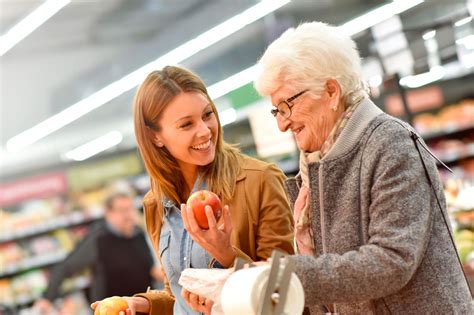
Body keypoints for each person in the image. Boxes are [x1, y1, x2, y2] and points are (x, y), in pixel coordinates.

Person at [250, 21, 473, 314]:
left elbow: (392, 260)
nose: (282, 123)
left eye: (286, 106)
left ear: (331, 91)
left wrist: (284, 275)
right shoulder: (317, 165)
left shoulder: (390, 142)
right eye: (276, 110)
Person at [92, 66, 294, 315]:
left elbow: (284, 292)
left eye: (207, 114)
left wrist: (227, 254)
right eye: (186, 124)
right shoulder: (156, 202)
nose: (205, 130)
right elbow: (178, 293)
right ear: (155, 137)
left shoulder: (259, 181)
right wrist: (145, 304)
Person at [34, 192, 161, 313]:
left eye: (130, 209)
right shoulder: (98, 239)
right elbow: (65, 267)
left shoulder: (138, 233)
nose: (128, 215)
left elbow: (148, 267)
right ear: (108, 213)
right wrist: (47, 298)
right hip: (112, 310)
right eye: (122, 210)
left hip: (142, 307)